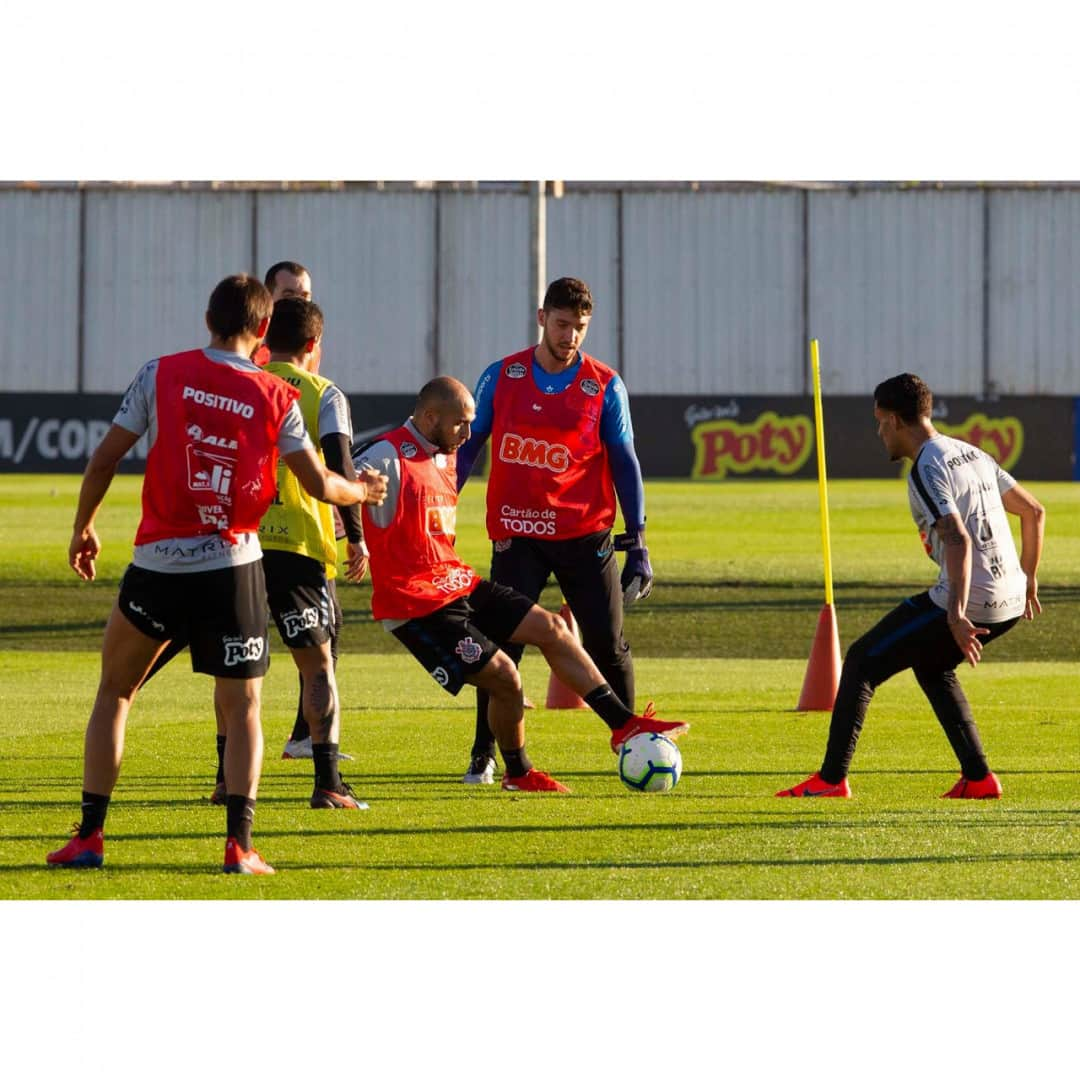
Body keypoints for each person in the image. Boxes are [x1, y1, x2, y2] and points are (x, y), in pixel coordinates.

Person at [45, 274, 373, 876]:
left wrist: (82, 527)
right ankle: (239, 846)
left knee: (115, 694)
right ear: (263, 330)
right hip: (232, 567)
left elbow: (105, 458)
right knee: (244, 704)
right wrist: (365, 489)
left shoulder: (160, 373)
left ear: (206, 319)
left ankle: (90, 836)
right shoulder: (276, 396)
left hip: (157, 566)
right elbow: (323, 485)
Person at [351, 376, 687, 793]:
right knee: (506, 676)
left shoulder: (443, 452)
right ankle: (517, 771)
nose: (470, 434)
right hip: (415, 605)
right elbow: (337, 482)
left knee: (554, 629)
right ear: (430, 416)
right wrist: (354, 538)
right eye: (461, 424)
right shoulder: (387, 453)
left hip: (458, 583)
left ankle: (624, 725)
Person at [777, 373, 1045, 800]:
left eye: (880, 421)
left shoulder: (926, 465)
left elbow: (957, 538)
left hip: (969, 600)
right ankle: (979, 779)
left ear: (897, 420)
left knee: (862, 661)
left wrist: (956, 614)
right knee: (932, 666)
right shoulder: (971, 452)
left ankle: (830, 781)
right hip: (1010, 600)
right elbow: (1033, 512)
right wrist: (1028, 578)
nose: (879, 432)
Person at [453, 276, 652, 784]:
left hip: (585, 538)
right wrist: (442, 509)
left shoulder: (605, 384)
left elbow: (624, 461)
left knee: (608, 645)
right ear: (542, 318)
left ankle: (630, 746)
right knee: (500, 649)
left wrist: (638, 541)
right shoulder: (502, 375)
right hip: (518, 537)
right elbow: (468, 447)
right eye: (563, 324)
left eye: (580, 327)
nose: (571, 336)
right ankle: (484, 753)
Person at [252, 296, 386, 808]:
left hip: (241, 540)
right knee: (318, 665)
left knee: (238, 669)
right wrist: (357, 537)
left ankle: (225, 779)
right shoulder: (324, 394)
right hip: (300, 544)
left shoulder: (246, 382)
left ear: (268, 341)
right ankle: (328, 784)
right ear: (314, 346)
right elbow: (340, 466)